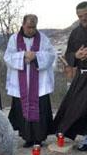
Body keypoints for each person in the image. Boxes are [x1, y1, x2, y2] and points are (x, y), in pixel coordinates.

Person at [52, 2, 87, 151]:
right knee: (74, 105)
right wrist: (76, 54)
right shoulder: (75, 33)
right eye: (80, 16)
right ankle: (64, 131)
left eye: (86, 14)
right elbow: (68, 55)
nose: (84, 18)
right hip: (81, 75)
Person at [4, 14, 56, 147]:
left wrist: (36, 56)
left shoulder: (43, 39)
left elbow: (50, 55)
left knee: (41, 109)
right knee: (22, 110)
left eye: (33, 27)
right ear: (23, 25)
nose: (31, 30)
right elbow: (8, 57)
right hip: (20, 83)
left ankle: (39, 138)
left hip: (39, 84)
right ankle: (27, 137)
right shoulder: (14, 39)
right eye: (28, 27)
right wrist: (23, 56)